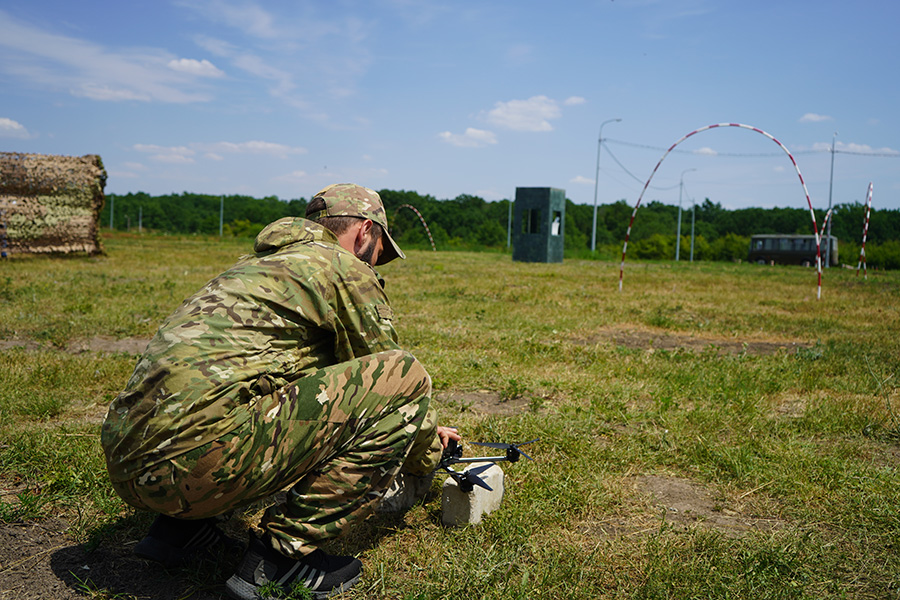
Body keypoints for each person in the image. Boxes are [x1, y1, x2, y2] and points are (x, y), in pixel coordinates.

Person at [101, 183, 460, 599]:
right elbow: (395, 383)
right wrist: (429, 454)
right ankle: (280, 560)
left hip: (128, 464)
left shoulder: (256, 267)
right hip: (192, 466)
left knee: (252, 388)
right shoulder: (343, 267)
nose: (375, 263)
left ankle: (178, 533)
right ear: (365, 232)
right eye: (379, 251)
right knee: (407, 374)